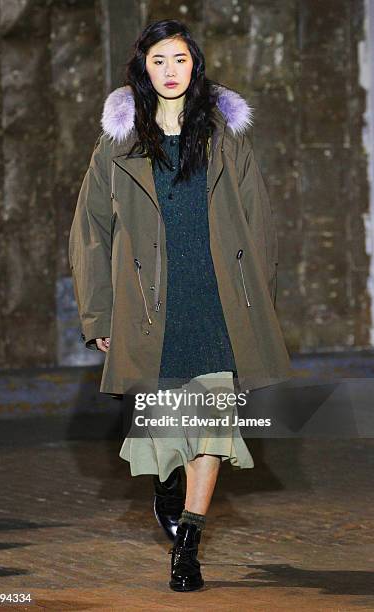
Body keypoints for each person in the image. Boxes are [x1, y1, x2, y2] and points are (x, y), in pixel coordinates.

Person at [69, 19, 293, 592]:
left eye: (180, 60)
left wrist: (253, 300)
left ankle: (188, 545)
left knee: (212, 425)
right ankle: (167, 487)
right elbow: (89, 233)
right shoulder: (117, 146)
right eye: (159, 61)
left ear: (195, 66)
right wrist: (98, 316)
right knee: (170, 431)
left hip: (216, 299)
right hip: (149, 308)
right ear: (143, 69)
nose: (171, 71)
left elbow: (259, 225)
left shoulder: (224, 138)